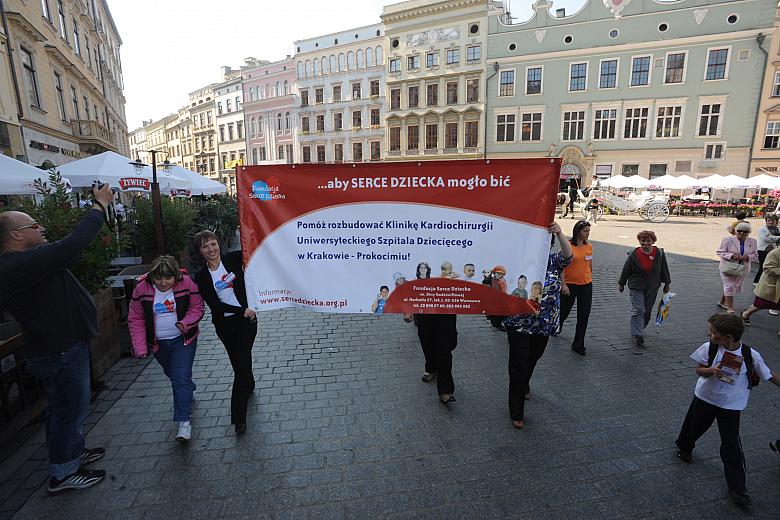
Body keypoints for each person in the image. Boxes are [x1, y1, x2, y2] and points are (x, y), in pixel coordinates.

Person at [0, 184, 113, 495]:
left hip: (60, 347)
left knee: (63, 408)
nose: (42, 226)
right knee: (68, 410)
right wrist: (99, 205)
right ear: (16, 236)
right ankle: (63, 473)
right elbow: (73, 244)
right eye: (33, 225)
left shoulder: (26, 261)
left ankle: (71, 453)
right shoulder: (19, 265)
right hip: (58, 350)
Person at [675, 313, 780, 508]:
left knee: (731, 444)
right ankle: (684, 447)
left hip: (732, 404)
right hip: (706, 397)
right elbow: (699, 369)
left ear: (729, 338)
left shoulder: (750, 354)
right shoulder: (710, 348)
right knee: (694, 426)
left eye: (714, 333)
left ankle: (738, 489)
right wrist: (710, 371)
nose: (709, 335)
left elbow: (768, 374)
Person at [503, 223, 572, 429]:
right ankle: (516, 410)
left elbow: (568, 256)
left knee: (533, 358)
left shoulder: (552, 261)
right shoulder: (516, 262)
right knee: (519, 364)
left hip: (544, 323)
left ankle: (524, 383)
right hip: (519, 323)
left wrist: (559, 232)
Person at [128, 256, 204, 442]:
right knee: (173, 374)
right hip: (157, 344)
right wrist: (139, 347)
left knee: (179, 377)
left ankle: (184, 422)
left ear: (175, 276)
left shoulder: (186, 283)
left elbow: (197, 307)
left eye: (168, 278)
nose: (163, 283)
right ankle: (189, 388)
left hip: (183, 340)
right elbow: (135, 319)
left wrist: (185, 323)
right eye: (159, 278)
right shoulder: (141, 289)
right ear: (152, 277)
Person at [192, 231, 258, 434]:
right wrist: (240, 309)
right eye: (205, 246)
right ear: (200, 252)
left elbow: (256, 250)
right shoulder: (202, 276)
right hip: (225, 325)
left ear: (219, 244)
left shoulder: (233, 259)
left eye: (213, 244)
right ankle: (249, 384)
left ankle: (239, 417)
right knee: (238, 361)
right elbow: (215, 305)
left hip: (246, 321)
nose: (211, 249)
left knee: (240, 365)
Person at [414, 261, 458, 403]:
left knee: (444, 348)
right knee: (426, 340)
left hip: (446, 308)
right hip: (425, 307)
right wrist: (406, 309)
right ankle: (431, 367)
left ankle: (446, 390)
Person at [618, 230, 671, 345]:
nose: (645, 243)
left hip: (653, 286)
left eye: (648, 241)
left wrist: (667, 284)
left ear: (653, 241)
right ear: (639, 241)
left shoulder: (659, 253)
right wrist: (621, 283)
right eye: (643, 241)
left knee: (646, 311)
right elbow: (626, 269)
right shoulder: (634, 254)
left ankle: (640, 328)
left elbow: (664, 269)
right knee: (639, 310)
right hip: (636, 286)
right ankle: (638, 334)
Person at [560, 220, 593, 355]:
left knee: (583, 315)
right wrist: (563, 284)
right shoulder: (567, 246)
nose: (588, 234)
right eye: (585, 231)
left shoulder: (589, 246)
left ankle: (578, 344)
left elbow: (590, 264)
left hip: (586, 285)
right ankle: (558, 324)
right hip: (570, 285)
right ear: (578, 231)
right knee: (564, 311)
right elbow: (560, 267)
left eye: (589, 231)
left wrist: (590, 277)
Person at [717, 222, 758, 314]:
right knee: (729, 286)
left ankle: (721, 301)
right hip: (727, 266)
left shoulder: (753, 241)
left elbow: (756, 255)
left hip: (743, 268)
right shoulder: (727, 240)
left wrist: (748, 257)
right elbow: (719, 252)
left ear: (748, 232)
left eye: (745, 231)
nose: (741, 233)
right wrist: (731, 255)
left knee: (734, 286)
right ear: (736, 231)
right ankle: (730, 308)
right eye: (739, 231)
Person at [741, 246, 780, 329]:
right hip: (772, 286)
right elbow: (767, 268)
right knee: (759, 305)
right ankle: (746, 314)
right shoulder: (775, 253)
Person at [754, 214, 780, 286]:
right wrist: (777, 238)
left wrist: (772, 237)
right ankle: (756, 281)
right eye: (769, 221)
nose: (770, 222)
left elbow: (770, 238)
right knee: (762, 266)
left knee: (771, 266)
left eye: (773, 221)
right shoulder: (762, 229)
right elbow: (765, 239)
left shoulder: (778, 229)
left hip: (773, 250)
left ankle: (766, 281)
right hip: (762, 249)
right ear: (766, 221)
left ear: (776, 221)